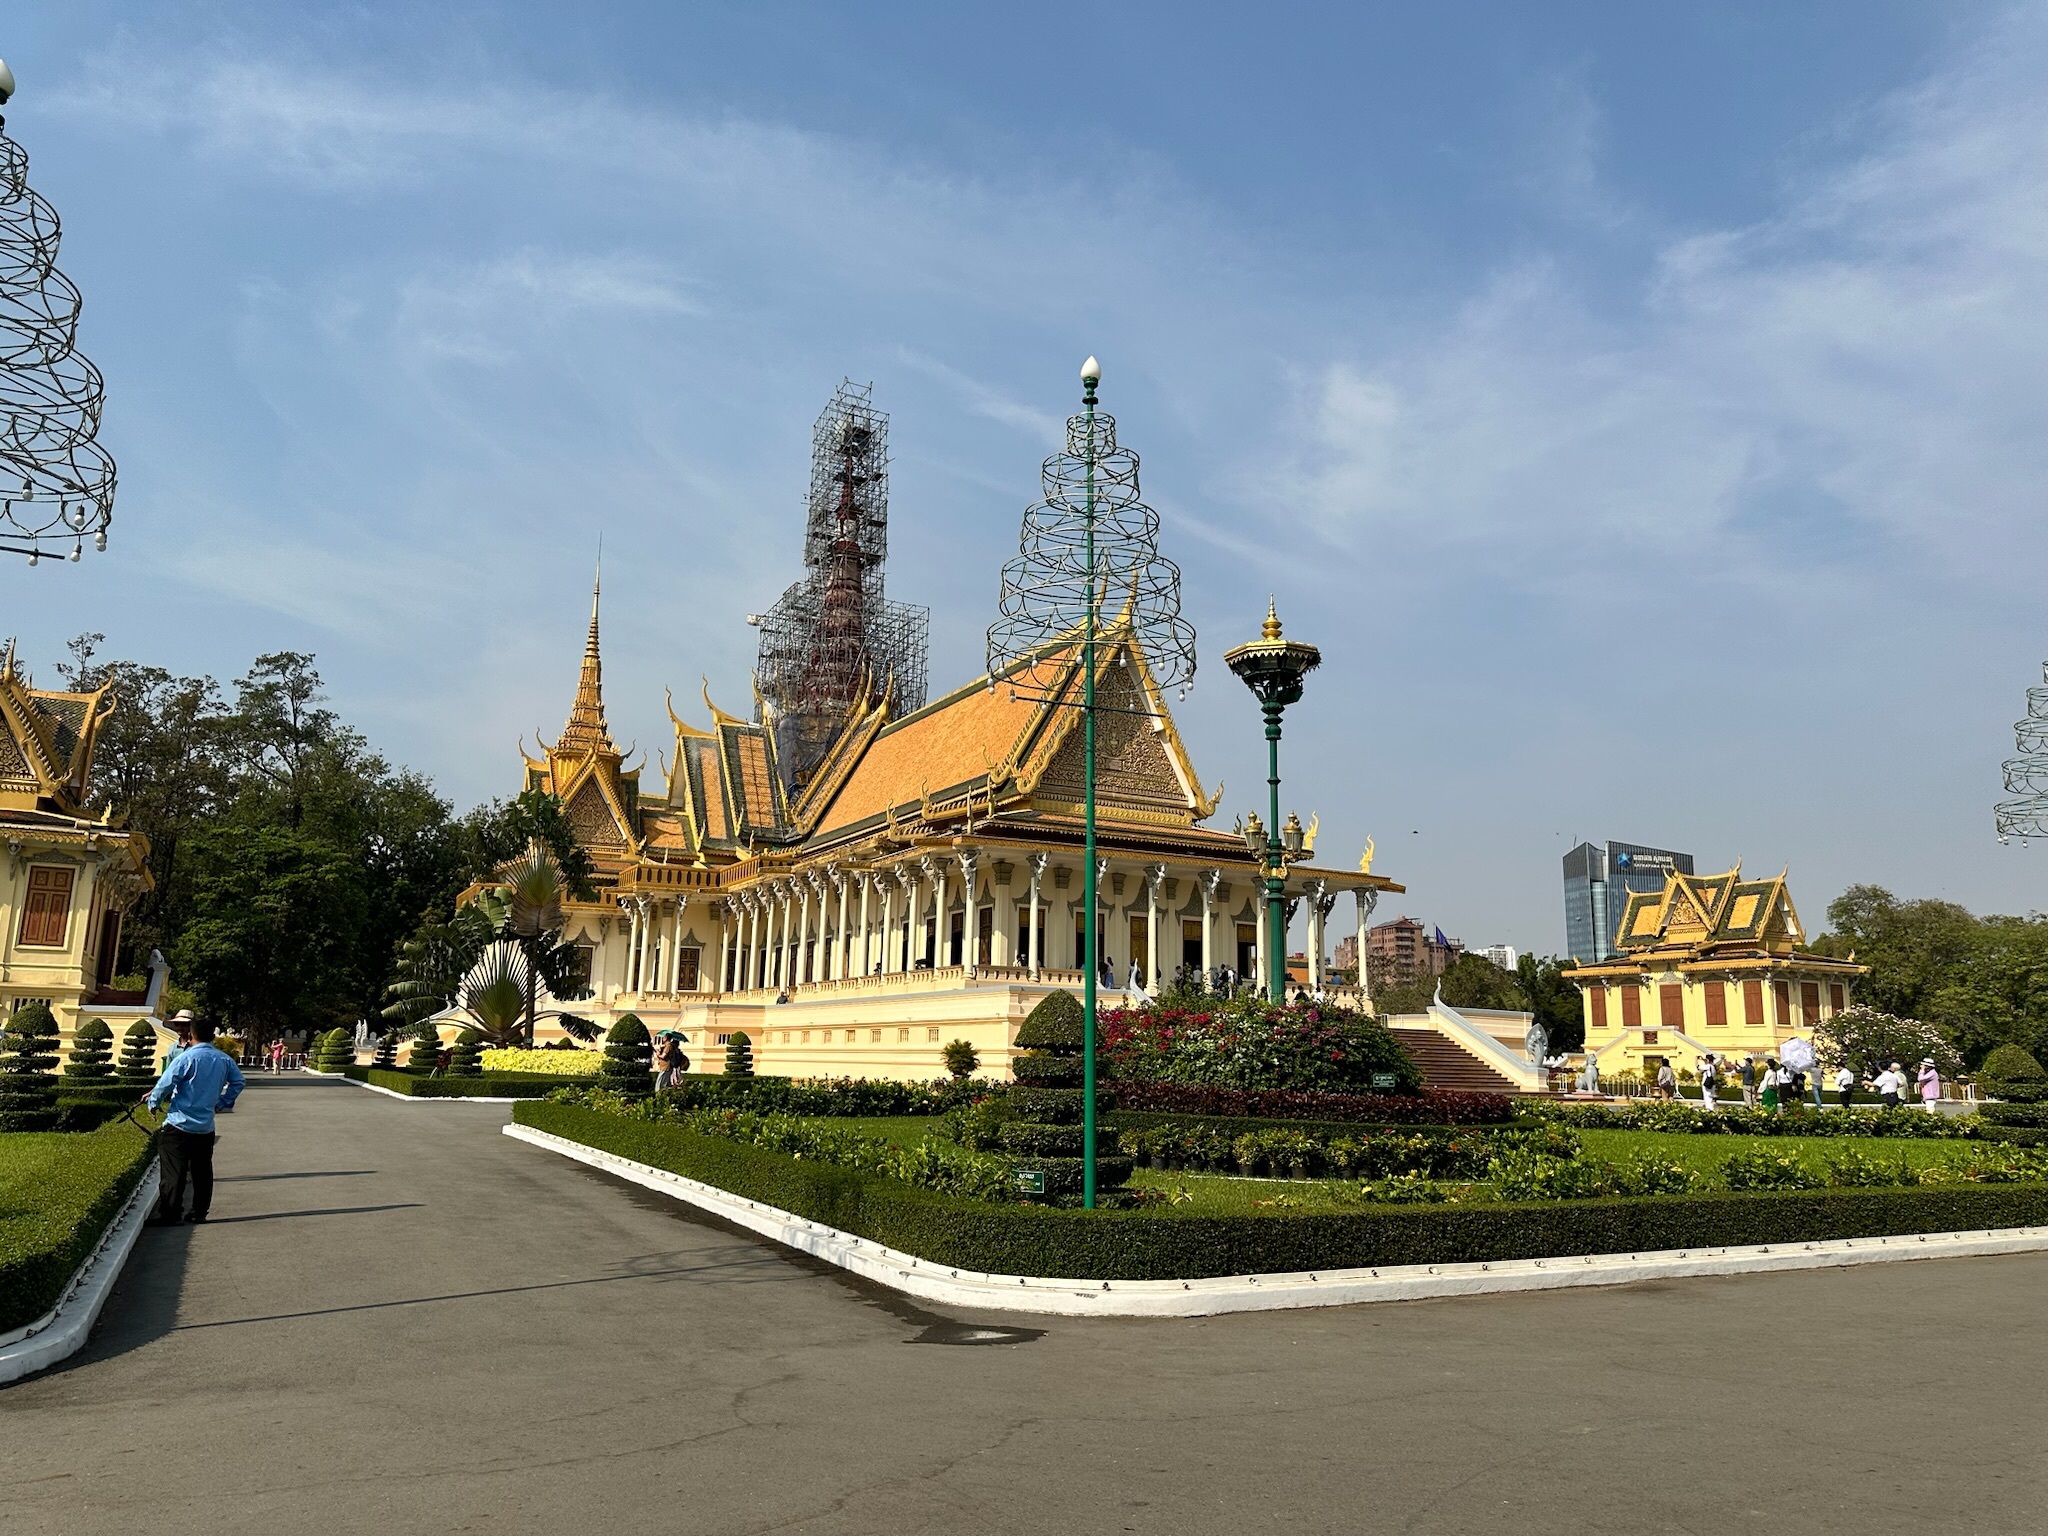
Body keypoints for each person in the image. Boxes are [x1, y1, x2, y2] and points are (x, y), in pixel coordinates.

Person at [143, 1018, 246, 1226]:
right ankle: (199, 1212)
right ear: (214, 1037)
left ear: (190, 1035)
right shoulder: (224, 1060)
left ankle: (171, 1214)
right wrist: (223, 1102)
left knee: (174, 1171)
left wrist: (153, 1103)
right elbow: (238, 1082)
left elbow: (165, 1083)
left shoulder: (185, 1058)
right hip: (205, 1126)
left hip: (179, 1123)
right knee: (202, 1171)